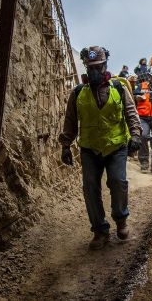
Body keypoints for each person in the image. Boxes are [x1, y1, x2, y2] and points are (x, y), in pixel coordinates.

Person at [59, 46, 142, 250]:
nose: (94, 71)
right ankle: (99, 230)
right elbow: (70, 121)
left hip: (116, 146)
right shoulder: (78, 93)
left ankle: (121, 220)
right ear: (86, 68)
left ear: (105, 65)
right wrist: (66, 145)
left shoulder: (119, 88)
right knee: (90, 187)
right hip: (89, 148)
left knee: (117, 181)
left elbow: (131, 113)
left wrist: (136, 135)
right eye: (90, 68)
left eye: (98, 67)